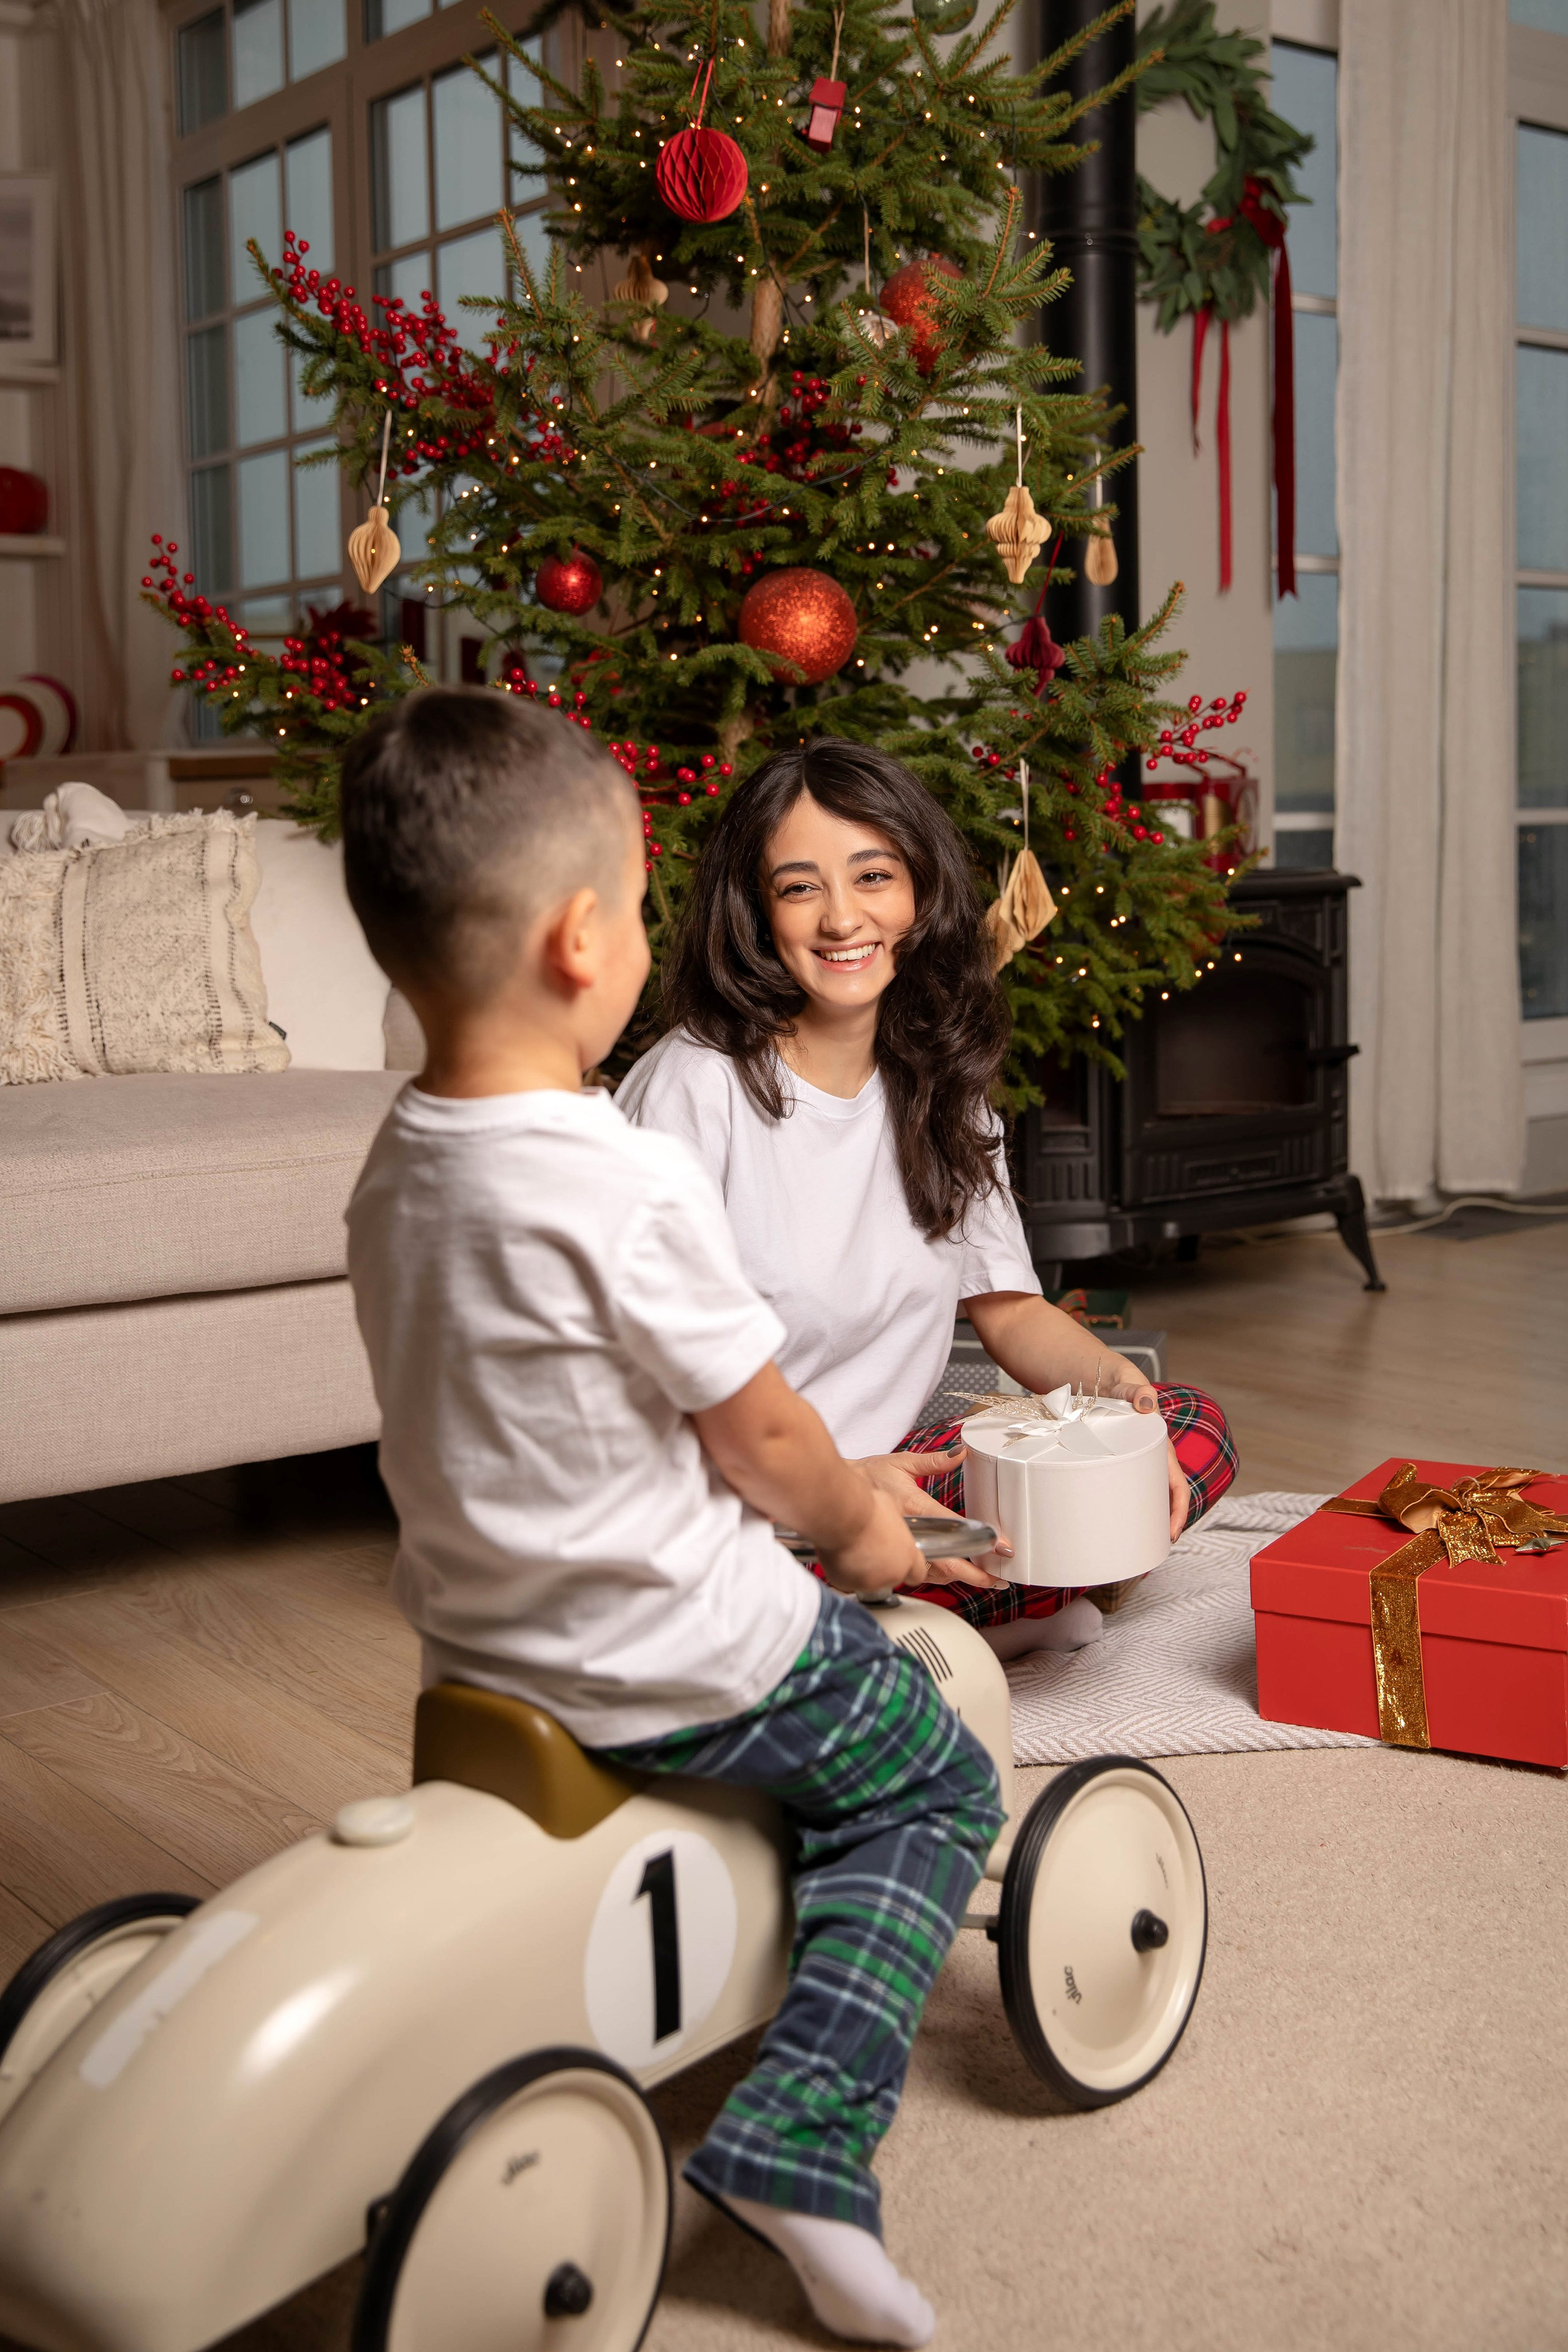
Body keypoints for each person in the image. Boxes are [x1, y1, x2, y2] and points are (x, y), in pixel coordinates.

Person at [341, 690, 1003, 2350]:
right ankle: (800, 2139)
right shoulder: (618, 1173)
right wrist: (862, 1530)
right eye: (641, 909)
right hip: (683, 1645)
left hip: (479, 1648)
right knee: (933, 1771)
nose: (650, 940)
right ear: (582, 942)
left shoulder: (397, 1166)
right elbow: (767, 1434)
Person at [617, 740, 1237, 1658]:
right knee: (764, 1574)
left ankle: (922, 1616)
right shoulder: (693, 1089)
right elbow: (640, 1385)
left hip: (901, 1475)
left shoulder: (940, 1079)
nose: (842, 919)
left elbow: (1012, 1310)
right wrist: (844, 1485)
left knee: (1188, 1428)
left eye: (874, 875)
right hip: (738, 1494)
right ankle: (974, 1610)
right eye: (798, 888)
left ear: (920, 890)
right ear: (753, 912)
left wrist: (1123, 1409)